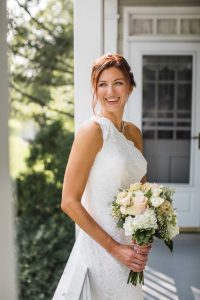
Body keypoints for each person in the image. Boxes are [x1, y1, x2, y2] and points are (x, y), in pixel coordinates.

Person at [53, 53, 151, 300]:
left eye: (118, 82)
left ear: (130, 86)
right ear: (95, 89)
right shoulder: (92, 131)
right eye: (102, 84)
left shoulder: (134, 133)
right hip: (103, 248)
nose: (111, 91)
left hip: (132, 250)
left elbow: (141, 192)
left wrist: (145, 234)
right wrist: (114, 248)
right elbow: (69, 201)